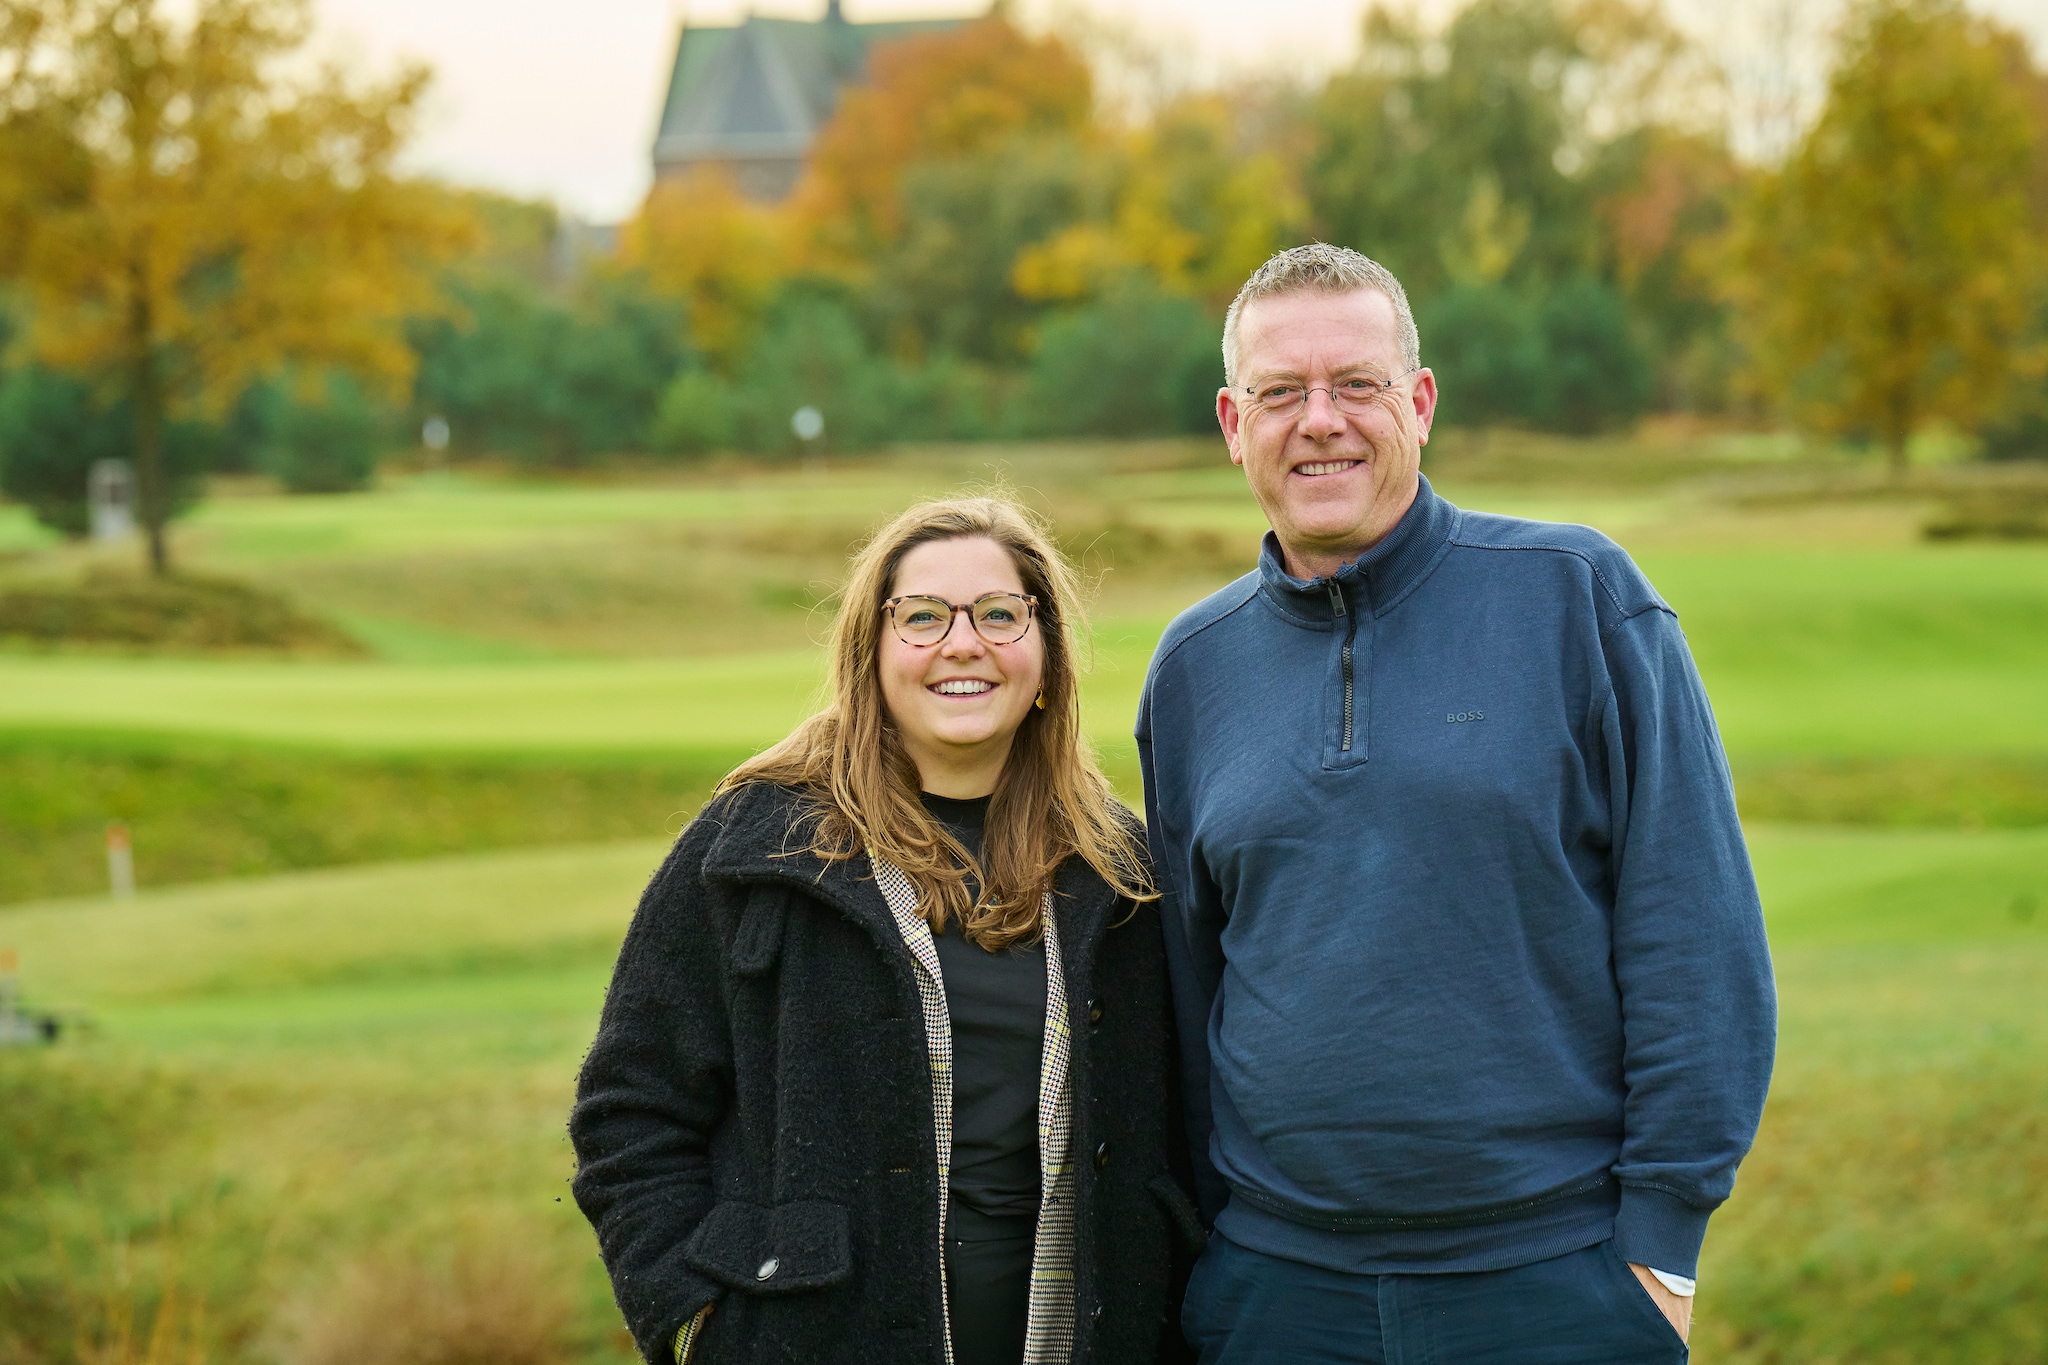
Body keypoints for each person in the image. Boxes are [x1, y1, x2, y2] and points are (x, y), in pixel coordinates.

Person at [1137, 244, 1776, 1363]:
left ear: (1418, 404)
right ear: (1234, 426)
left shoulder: (1577, 598)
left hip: (1551, 1287)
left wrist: (1660, 1250)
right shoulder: (1194, 667)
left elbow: (1694, 933)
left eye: (1357, 385)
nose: (1319, 420)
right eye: (1281, 393)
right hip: (1275, 1297)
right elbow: (1187, 994)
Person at [571, 497, 1202, 1365]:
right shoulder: (756, 849)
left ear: (1045, 651)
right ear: (871, 651)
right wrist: (693, 1324)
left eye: (999, 613)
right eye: (922, 617)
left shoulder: (1118, 868)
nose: (963, 642)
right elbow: (630, 1111)